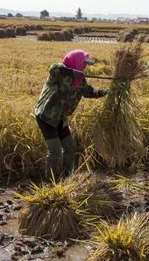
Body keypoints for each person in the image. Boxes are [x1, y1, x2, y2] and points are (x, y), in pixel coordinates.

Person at [35, 50, 106, 180]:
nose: (85, 67)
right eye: (84, 64)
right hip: (46, 116)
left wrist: (105, 92)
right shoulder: (60, 72)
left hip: (60, 117)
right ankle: (49, 182)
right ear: (76, 61)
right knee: (55, 150)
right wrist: (72, 72)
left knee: (70, 146)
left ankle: (67, 177)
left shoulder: (80, 79)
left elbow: (89, 92)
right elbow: (53, 68)